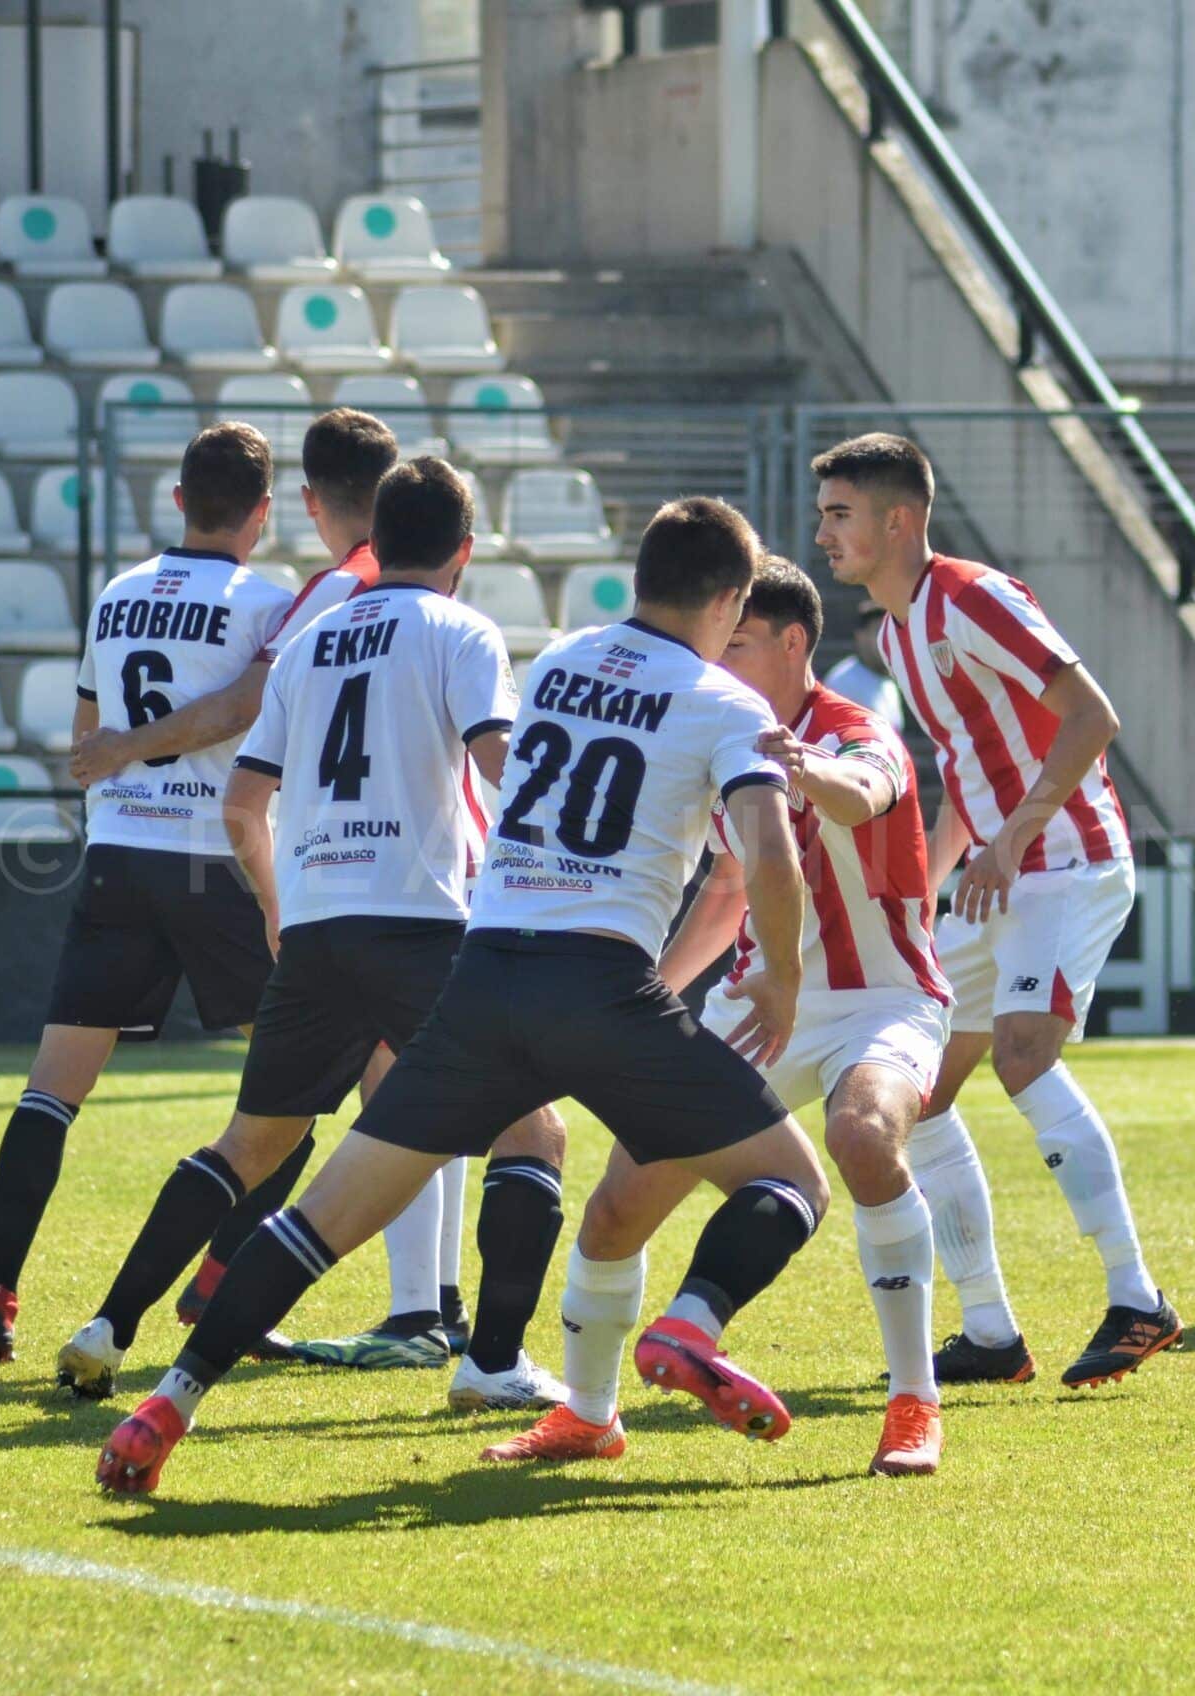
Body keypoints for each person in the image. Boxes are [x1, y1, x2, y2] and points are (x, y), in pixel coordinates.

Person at [98, 496, 827, 1494]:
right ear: (733, 601)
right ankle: (687, 1328)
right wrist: (780, 976)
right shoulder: (726, 703)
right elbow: (770, 852)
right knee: (788, 1184)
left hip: (481, 972)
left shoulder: (564, 658)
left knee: (320, 1217)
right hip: (600, 982)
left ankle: (167, 1401)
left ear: (638, 579)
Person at [55, 457, 568, 1413]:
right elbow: (503, 764)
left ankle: (107, 1327)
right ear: (464, 551)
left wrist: (280, 914)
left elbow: (245, 805)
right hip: (420, 924)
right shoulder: (463, 630)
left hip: (319, 925)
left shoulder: (314, 640)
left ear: (377, 533)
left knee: (250, 1142)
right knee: (532, 1131)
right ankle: (492, 1360)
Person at [489, 558, 951, 1476]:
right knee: (620, 1204)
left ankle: (913, 1404)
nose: (712, 656)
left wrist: (800, 765)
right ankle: (588, 1416)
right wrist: (651, 990)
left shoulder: (860, 731)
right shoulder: (714, 727)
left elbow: (861, 793)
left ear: (790, 643)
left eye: (733, 640)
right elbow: (734, 886)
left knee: (861, 1137)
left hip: (884, 998)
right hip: (758, 998)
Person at [811, 433, 1178, 1390]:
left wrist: (1012, 834)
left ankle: (1139, 1300)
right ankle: (988, 1332)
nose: (824, 535)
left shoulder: (975, 596)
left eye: (840, 515)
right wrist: (926, 889)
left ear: (900, 520)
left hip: (1068, 861)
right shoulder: (895, 634)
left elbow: (1095, 716)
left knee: (1023, 1055)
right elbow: (959, 776)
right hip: (998, 872)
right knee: (920, 1090)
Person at [0, 424, 297, 1366]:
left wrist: (121, 756)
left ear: (180, 499)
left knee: (52, 1089)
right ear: (262, 514)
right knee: (297, 1096)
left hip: (118, 852)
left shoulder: (116, 597)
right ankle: (220, 1283)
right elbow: (235, 714)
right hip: (214, 860)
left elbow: (84, 741)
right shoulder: (269, 607)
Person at [821, 603, 906, 729]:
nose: (886, 639)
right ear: (861, 636)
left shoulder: (890, 683)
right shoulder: (842, 683)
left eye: (890, 631)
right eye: (879, 631)